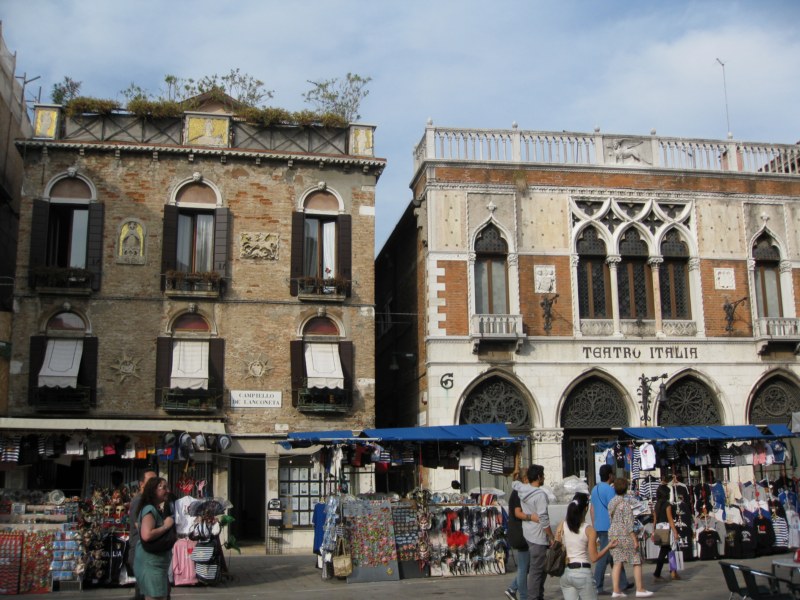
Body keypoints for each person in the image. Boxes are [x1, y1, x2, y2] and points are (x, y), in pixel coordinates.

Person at [560, 492, 618, 600]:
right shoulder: (589, 529)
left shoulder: (563, 525)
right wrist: (608, 546)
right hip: (582, 572)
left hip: (566, 573)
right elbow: (594, 557)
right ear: (586, 508)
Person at [513, 464, 553, 600]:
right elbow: (544, 519)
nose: (544, 478)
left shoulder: (522, 489)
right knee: (536, 572)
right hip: (538, 537)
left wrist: (515, 472)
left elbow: (515, 483)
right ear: (539, 477)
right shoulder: (540, 495)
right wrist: (551, 536)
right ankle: (533, 597)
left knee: (539, 569)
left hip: (528, 533)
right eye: (543, 475)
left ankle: (538, 596)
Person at [608, 477, 653, 598]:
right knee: (636, 561)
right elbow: (629, 524)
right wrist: (634, 539)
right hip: (625, 535)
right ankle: (640, 589)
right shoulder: (625, 504)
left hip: (613, 533)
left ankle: (616, 590)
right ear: (625, 489)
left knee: (617, 562)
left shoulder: (611, 503)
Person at [591, 465, 629, 594]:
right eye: (612, 474)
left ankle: (623, 583)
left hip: (599, 525)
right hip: (609, 527)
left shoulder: (594, 489)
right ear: (609, 475)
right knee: (604, 557)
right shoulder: (609, 490)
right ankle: (597, 585)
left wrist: (594, 525)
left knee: (615, 555)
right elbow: (615, 509)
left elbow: (592, 509)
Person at [134, 477, 175, 600]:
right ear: (153, 490)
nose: (167, 491)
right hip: (151, 566)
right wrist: (166, 526)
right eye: (164, 488)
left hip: (155, 565)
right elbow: (147, 535)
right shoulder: (149, 509)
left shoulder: (154, 509)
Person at [129, 470, 157, 600]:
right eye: (151, 481)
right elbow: (141, 528)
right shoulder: (139, 501)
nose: (155, 484)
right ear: (141, 484)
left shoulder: (148, 501)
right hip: (140, 550)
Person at [506, 469, 531, 600]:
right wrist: (532, 517)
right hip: (520, 534)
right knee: (523, 567)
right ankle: (523, 596)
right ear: (525, 479)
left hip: (519, 532)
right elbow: (517, 513)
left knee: (526, 566)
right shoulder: (518, 493)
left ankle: (512, 588)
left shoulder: (519, 491)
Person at [652, 484, 681, 582]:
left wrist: (653, 531)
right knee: (665, 551)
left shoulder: (657, 505)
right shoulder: (667, 505)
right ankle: (657, 573)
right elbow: (670, 519)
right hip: (666, 529)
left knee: (669, 551)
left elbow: (655, 519)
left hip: (659, 529)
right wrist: (675, 532)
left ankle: (673, 572)